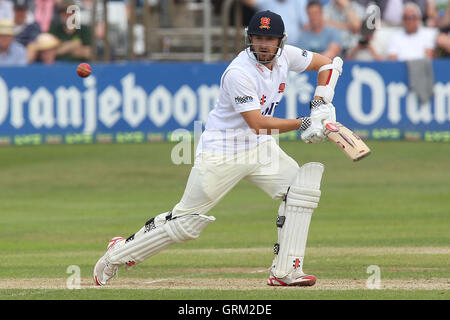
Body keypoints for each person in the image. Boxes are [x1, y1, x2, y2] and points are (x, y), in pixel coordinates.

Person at [93, 10, 341, 287]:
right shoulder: (239, 72)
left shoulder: (287, 56)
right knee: (186, 224)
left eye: (269, 39)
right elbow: (257, 123)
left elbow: (327, 65)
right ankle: (117, 254)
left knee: (300, 190)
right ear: (250, 38)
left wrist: (321, 103)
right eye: (258, 37)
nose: (263, 44)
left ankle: (285, 271)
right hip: (222, 151)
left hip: (259, 148)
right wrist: (303, 123)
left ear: (280, 41)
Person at [245, 0, 309, 45]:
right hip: (272, 47)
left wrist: (301, 43)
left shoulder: (299, 2)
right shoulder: (266, 1)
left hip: (295, 46)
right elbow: (251, 2)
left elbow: (306, 25)